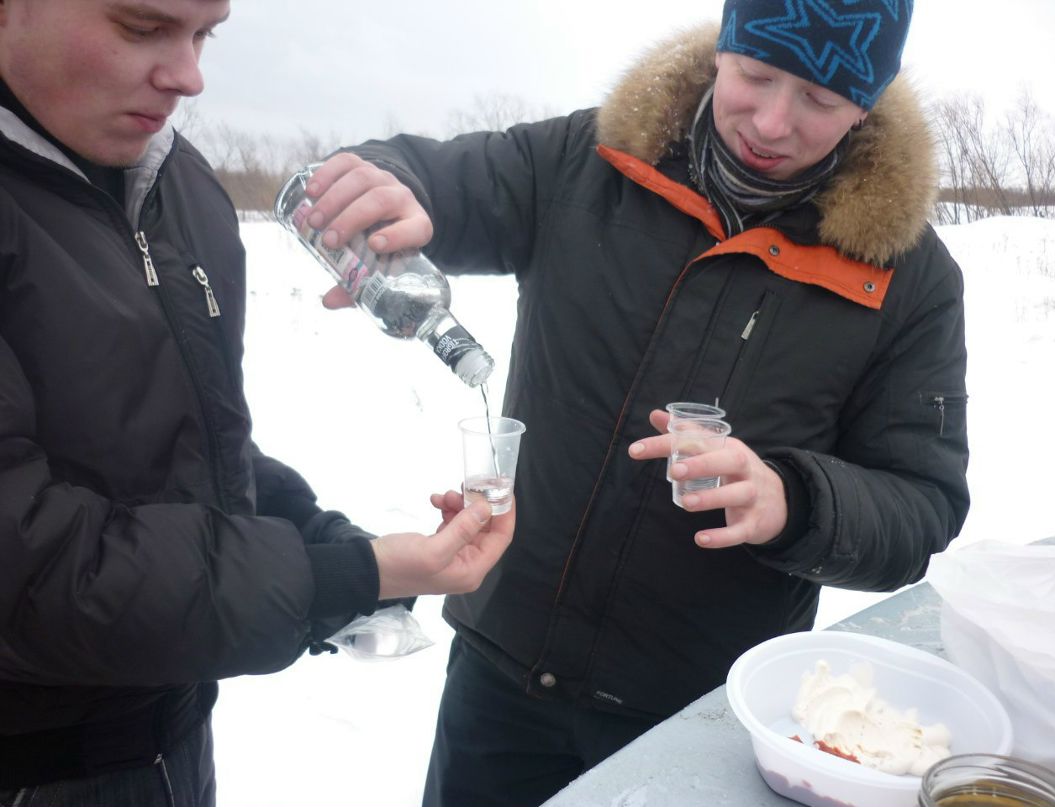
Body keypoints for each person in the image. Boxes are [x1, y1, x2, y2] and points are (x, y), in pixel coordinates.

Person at [301, 1, 969, 805]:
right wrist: (382, 184)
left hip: (698, 716)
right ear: (725, 49)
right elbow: (434, 175)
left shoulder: (909, 278)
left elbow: (921, 504)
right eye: (755, 75)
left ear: (865, 103)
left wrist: (792, 500)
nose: (772, 120)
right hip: (502, 680)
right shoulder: (589, 161)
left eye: (821, 100)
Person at [0, 1, 514, 805]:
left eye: (205, 34)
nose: (190, 76)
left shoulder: (182, 189)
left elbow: (196, 447)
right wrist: (328, 576)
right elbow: (25, 562)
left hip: (170, 741)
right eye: (142, 28)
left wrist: (340, 549)